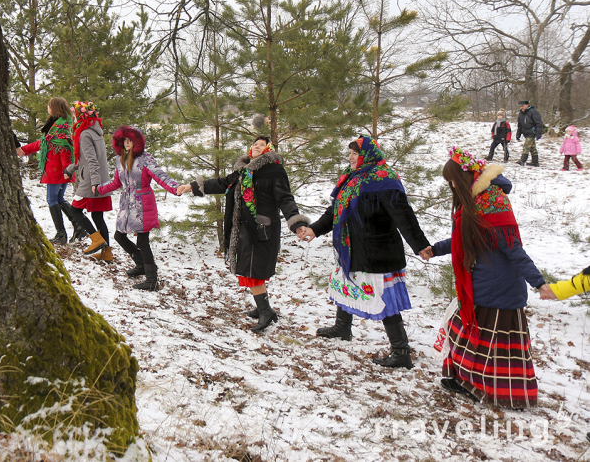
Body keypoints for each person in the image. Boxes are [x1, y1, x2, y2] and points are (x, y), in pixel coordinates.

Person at [422, 148, 553, 407]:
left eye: (453, 179)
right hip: (479, 281)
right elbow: (465, 238)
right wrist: (435, 249)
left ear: (466, 176)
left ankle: (500, 393)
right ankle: (463, 380)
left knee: (489, 344)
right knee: (467, 336)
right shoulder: (475, 199)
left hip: (497, 288)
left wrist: (538, 282)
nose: (451, 185)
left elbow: (513, 248)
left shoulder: (492, 202)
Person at [298, 136, 431, 368]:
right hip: (353, 248)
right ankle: (342, 328)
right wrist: (314, 229)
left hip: (378, 251)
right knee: (345, 283)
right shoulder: (353, 179)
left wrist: (419, 244)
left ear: (366, 155)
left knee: (383, 299)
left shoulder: (384, 180)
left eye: (354, 153)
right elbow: (336, 210)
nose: (350, 157)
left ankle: (401, 351)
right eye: (349, 153)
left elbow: (404, 215)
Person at [180, 136, 309, 330]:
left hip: (261, 228)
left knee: (253, 271)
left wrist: (296, 222)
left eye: (261, 144)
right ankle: (263, 307)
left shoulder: (274, 170)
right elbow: (222, 183)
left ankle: (265, 311)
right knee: (250, 268)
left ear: (269, 149)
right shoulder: (243, 170)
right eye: (254, 144)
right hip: (245, 229)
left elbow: (285, 198)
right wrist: (192, 186)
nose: (256, 146)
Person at [97, 126, 181, 288]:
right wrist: (99, 189)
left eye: (130, 141)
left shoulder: (145, 159)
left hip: (143, 205)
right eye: (124, 141)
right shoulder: (119, 160)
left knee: (143, 242)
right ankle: (141, 265)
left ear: (136, 142)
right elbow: (116, 182)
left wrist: (175, 188)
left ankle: (152, 281)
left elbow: (160, 175)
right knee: (119, 236)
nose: (127, 144)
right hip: (126, 205)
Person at [17, 97, 75, 246]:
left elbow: (61, 148)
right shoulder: (59, 125)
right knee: (59, 198)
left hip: (56, 170)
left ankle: (61, 234)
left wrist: (67, 168)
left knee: (52, 200)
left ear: (54, 108)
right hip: (60, 169)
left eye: (49, 105)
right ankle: (78, 226)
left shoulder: (58, 127)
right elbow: (44, 143)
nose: (47, 108)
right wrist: (23, 150)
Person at [63, 101, 113, 256]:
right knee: (98, 216)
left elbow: (92, 161)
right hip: (101, 178)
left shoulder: (84, 134)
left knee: (75, 210)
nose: (74, 120)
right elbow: (83, 160)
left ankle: (97, 240)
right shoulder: (96, 132)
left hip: (92, 180)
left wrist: (95, 183)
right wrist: (69, 169)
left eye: (74, 117)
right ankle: (106, 253)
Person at [515, 100, 543, 167]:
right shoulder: (521, 113)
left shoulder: (533, 112)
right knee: (532, 147)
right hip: (525, 132)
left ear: (527, 105)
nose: (521, 107)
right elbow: (520, 125)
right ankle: (535, 162)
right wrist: (518, 134)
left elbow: (539, 123)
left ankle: (522, 160)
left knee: (526, 146)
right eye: (520, 106)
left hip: (532, 132)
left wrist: (538, 134)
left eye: (523, 106)